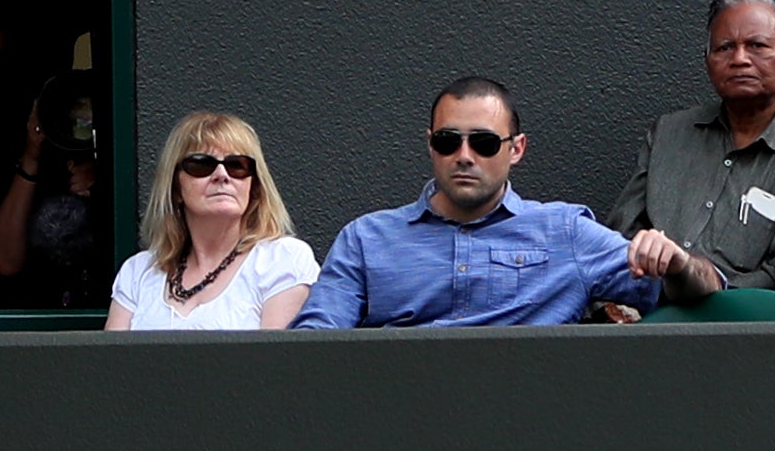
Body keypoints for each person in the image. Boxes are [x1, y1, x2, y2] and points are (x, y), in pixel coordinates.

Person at [300, 76, 717, 325]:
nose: (464, 156)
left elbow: (702, 289)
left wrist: (677, 262)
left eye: (483, 142)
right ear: (430, 146)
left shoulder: (564, 231)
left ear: (516, 149)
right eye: (448, 141)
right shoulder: (368, 238)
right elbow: (313, 342)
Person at [594, 0, 775, 294]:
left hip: (739, 323)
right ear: (707, 61)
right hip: (649, 309)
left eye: (757, 46)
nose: (740, 59)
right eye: (725, 48)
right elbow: (622, 232)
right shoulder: (670, 132)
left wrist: (704, 281)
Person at [107, 112, 314, 329]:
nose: (222, 175)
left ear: (253, 186)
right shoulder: (138, 272)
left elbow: (279, 359)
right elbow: (111, 361)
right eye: (201, 165)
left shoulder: (281, 260)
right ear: (175, 188)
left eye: (237, 165)